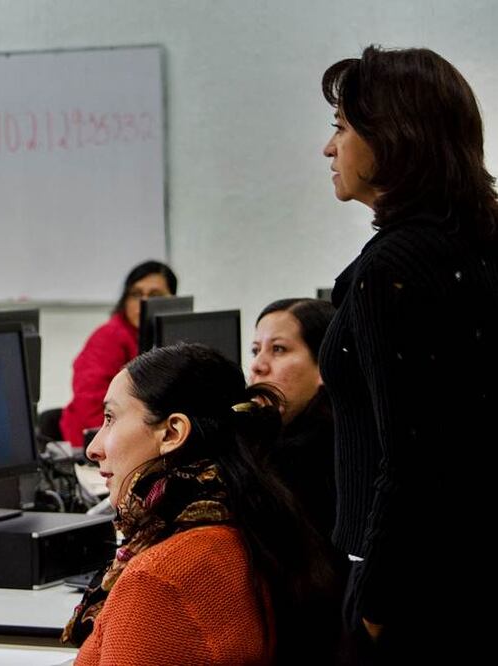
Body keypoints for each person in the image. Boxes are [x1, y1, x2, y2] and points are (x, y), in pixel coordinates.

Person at [320, 46, 498, 659]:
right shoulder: (473, 244)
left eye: (341, 127)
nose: (329, 148)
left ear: (392, 137)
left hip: (411, 594)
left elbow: (414, 462)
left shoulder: (393, 269)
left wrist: (373, 606)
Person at [64, 343, 337, 664]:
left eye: (110, 417)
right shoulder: (251, 520)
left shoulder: (156, 579)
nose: (93, 448)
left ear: (172, 432)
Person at [59, 260, 178, 448]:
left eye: (155, 295)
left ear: (174, 300)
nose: (143, 303)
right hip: (96, 442)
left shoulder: (171, 337)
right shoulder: (108, 338)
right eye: (136, 294)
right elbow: (90, 406)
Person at [248, 297, 337, 537]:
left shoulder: (309, 458)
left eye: (278, 349)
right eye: (256, 350)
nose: (257, 365)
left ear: (324, 366)